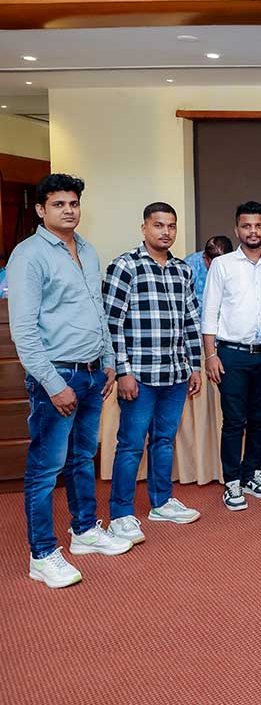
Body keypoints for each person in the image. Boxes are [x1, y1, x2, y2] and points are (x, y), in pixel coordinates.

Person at [8, 174, 132, 588]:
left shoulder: (88, 250)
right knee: (45, 469)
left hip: (93, 372)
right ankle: (42, 554)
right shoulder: (29, 255)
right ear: (41, 210)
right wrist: (51, 383)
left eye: (73, 203)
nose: (68, 210)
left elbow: (98, 311)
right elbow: (24, 330)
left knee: (83, 458)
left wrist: (108, 360)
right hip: (57, 375)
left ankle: (84, 531)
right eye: (59, 204)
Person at [104, 202, 203, 544]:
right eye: (159, 225)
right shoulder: (125, 266)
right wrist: (123, 372)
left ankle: (161, 502)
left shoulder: (182, 270)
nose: (166, 231)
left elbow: (191, 321)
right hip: (140, 376)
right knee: (131, 445)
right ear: (144, 228)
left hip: (175, 374)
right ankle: (120, 514)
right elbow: (112, 324)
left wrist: (194, 365)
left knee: (163, 440)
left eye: (171, 226)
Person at [202, 201, 261, 511]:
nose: (253, 231)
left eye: (258, 225)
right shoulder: (222, 265)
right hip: (232, 355)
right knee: (234, 421)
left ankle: (252, 474)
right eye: (247, 226)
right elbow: (209, 311)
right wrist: (210, 355)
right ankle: (232, 481)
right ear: (237, 230)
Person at [184, 235, 233, 314]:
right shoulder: (189, 267)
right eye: (213, 264)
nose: (218, 268)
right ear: (204, 256)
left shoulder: (232, 263)